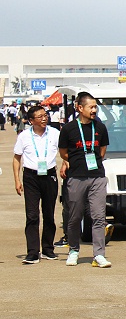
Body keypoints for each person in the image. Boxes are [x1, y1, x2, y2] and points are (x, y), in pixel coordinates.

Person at [58, 92, 112, 268]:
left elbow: (102, 151)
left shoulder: (100, 128)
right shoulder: (68, 129)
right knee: (74, 217)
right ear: (80, 108)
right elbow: (64, 153)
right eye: (91, 107)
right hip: (76, 177)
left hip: (97, 176)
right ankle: (74, 250)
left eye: (96, 106)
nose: (94, 110)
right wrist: (73, 163)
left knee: (98, 217)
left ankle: (99, 254)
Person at [12, 105, 61, 264]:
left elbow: (64, 150)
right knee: (32, 215)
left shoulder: (54, 133)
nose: (44, 118)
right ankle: (33, 252)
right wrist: (17, 180)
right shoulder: (24, 136)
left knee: (49, 214)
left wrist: (66, 161)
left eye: (45, 115)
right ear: (31, 121)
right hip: (31, 177)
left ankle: (48, 249)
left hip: (49, 175)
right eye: (39, 117)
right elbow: (17, 158)